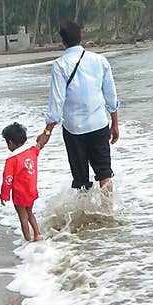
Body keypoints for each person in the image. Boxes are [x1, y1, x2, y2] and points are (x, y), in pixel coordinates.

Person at [36, 20, 119, 193]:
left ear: (63, 41)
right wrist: (115, 124)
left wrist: (47, 132)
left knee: (81, 180)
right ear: (81, 37)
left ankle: (85, 215)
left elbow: (56, 101)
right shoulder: (100, 60)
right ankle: (109, 213)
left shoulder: (59, 65)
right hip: (99, 124)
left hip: (73, 129)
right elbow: (110, 95)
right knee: (105, 173)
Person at [0, 122, 43, 242]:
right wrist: (45, 134)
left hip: (20, 193)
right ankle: (38, 234)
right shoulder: (31, 152)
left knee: (23, 218)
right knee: (30, 213)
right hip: (31, 190)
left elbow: (8, 179)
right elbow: (39, 146)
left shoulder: (11, 160)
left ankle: (28, 239)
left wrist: (4, 195)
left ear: (10, 143)